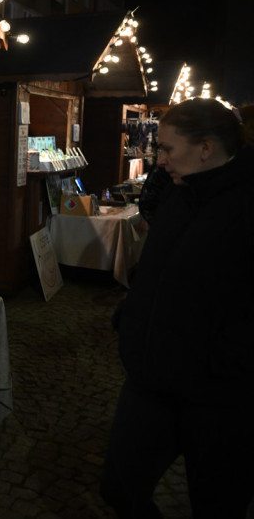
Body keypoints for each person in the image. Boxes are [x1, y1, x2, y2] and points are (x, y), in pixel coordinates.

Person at [101, 98, 254, 518]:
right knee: (120, 489)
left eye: (167, 148)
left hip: (220, 397)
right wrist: (131, 317)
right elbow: (155, 272)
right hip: (150, 381)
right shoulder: (177, 195)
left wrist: (224, 360)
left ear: (206, 148)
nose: (160, 159)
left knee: (217, 505)